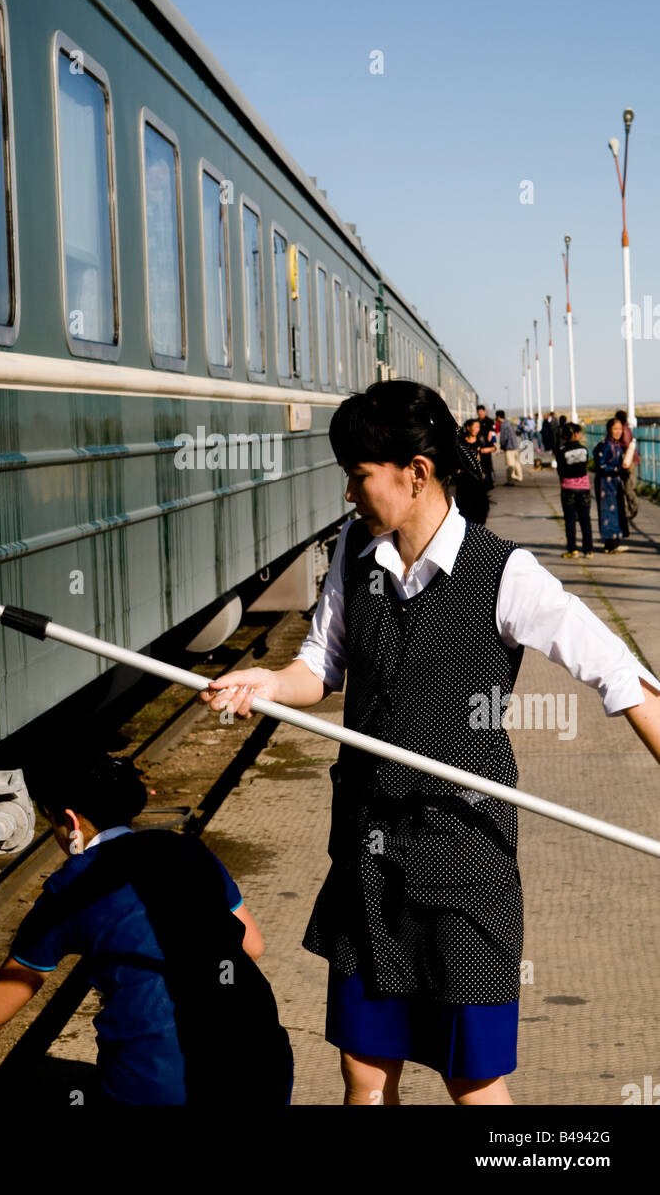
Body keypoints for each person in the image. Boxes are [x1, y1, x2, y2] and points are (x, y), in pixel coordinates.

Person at [199, 381, 660, 1107]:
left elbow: (623, 677)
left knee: (470, 1077)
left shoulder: (503, 572)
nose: (348, 494)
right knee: (363, 1069)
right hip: (365, 850)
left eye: (358, 476)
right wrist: (264, 683)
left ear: (415, 472)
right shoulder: (355, 552)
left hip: (461, 857)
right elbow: (319, 666)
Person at [0, 751, 293, 1106]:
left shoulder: (71, 888)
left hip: (156, 1085)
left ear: (72, 823)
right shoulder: (183, 847)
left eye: (53, 824)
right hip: (262, 1060)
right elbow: (251, 944)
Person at [555, 423, 593, 558]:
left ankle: (573, 549)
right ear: (576, 434)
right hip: (584, 488)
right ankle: (588, 550)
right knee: (585, 520)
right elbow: (584, 466)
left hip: (568, 488)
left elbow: (560, 471)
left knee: (570, 520)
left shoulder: (562, 451)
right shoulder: (584, 450)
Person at [593, 418, 630, 554]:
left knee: (617, 510)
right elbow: (600, 465)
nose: (618, 432)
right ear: (609, 430)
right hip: (605, 483)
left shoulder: (617, 445)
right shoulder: (604, 445)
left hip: (615, 483)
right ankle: (610, 543)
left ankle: (614, 543)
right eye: (615, 429)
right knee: (608, 511)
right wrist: (618, 469)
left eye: (620, 429)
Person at [614, 409, 640, 520]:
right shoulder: (627, 428)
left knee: (628, 487)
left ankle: (633, 507)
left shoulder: (623, 430)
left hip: (628, 460)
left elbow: (625, 442)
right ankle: (631, 508)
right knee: (626, 485)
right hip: (630, 460)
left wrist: (616, 443)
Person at [495, 411, 522, 485]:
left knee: (510, 464)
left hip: (509, 447)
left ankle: (510, 480)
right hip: (515, 446)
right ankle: (519, 476)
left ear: (498, 417)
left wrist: (502, 446)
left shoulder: (503, 425)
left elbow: (504, 437)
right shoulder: (509, 423)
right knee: (517, 463)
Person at [476, 404, 496, 490]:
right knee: (479, 465)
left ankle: (489, 482)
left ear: (484, 411)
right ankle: (482, 482)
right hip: (478, 446)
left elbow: (491, 434)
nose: (480, 413)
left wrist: (491, 446)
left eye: (481, 411)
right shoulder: (476, 422)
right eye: (478, 411)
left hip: (487, 446)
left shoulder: (489, 421)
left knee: (487, 465)